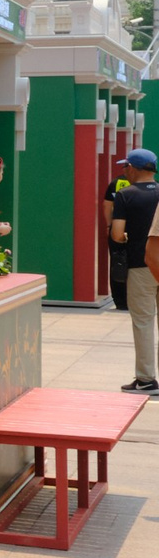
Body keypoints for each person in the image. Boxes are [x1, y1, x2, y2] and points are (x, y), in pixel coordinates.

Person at [113, 148, 159, 392]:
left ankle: (146, 379)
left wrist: (128, 236)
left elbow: (117, 233)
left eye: (125, 166)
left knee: (143, 322)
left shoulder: (125, 195)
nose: (124, 170)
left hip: (142, 265)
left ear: (134, 168)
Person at [106, 157, 136, 312]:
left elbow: (107, 206)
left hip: (119, 231)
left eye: (125, 166)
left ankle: (120, 301)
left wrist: (109, 226)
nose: (123, 169)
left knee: (118, 264)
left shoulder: (116, 184)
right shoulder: (151, 187)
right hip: (139, 233)